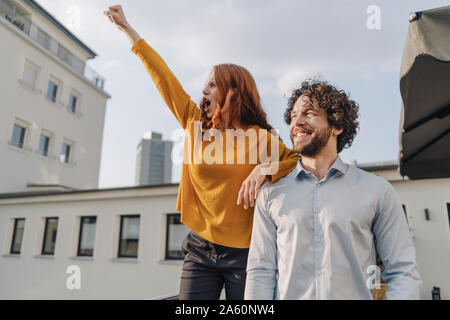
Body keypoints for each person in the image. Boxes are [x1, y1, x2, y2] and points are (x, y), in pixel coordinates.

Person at [104, 5, 300, 300]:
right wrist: (126, 28)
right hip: (199, 250)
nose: (204, 90)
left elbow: (297, 161)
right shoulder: (195, 124)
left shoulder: (261, 139)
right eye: (205, 84)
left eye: (212, 84)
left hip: (246, 255)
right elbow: (163, 77)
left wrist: (263, 170)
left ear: (233, 91)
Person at [245, 80, 422, 300]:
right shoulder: (270, 195)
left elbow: (402, 269)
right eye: (292, 116)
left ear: (337, 125)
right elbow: (260, 271)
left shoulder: (377, 191)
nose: (296, 122)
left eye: (308, 114)